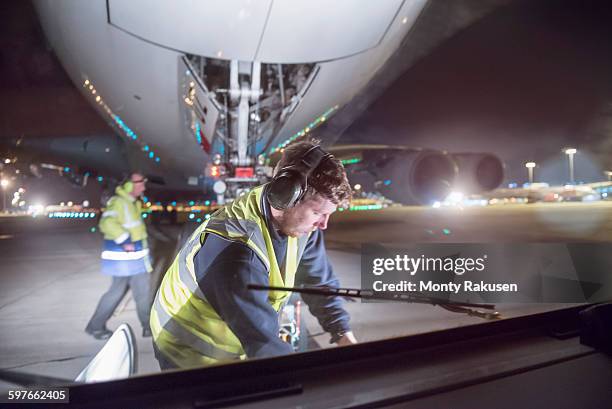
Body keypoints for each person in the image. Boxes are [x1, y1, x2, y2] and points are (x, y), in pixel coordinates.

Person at [151, 141, 357, 369]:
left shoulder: (303, 227)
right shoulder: (236, 254)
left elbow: (319, 284)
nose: (324, 224)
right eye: (318, 212)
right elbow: (264, 345)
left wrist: (343, 334)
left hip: (237, 337)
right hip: (188, 351)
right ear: (286, 197)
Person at [85, 172, 152, 340]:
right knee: (117, 292)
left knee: (142, 292)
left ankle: (147, 326)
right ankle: (95, 326)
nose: (144, 186)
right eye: (140, 182)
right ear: (129, 185)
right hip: (123, 258)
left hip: (135, 258)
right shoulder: (118, 202)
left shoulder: (132, 203)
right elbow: (106, 223)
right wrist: (124, 240)